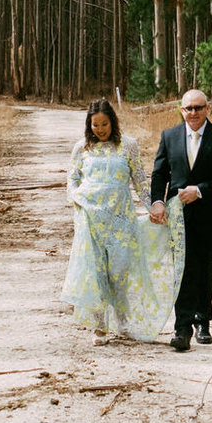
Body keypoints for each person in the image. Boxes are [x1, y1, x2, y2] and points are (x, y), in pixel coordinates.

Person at [62, 99, 184, 342]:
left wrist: (155, 207)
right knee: (96, 273)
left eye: (104, 124)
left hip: (121, 221)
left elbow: (140, 181)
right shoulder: (82, 148)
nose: (100, 129)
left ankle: (123, 321)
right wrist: (76, 198)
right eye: (95, 125)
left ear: (113, 122)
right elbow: (72, 179)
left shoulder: (128, 146)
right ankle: (99, 326)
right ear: (89, 125)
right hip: (91, 220)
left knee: (119, 273)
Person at [148, 87, 212, 352]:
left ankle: (203, 321)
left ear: (207, 108)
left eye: (198, 108)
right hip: (177, 217)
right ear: (181, 110)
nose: (193, 113)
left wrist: (199, 191)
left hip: (209, 214)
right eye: (189, 108)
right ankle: (182, 327)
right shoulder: (170, 136)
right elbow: (159, 173)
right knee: (182, 270)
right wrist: (158, 202)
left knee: (204, 268)